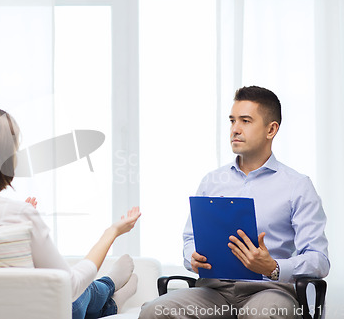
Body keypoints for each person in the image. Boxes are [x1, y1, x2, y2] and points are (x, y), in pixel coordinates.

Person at [0, 106, 141, 319]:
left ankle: (111, 303)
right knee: (75, 297)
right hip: (16, 308)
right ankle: (108, 286)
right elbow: (69, 285)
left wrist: (18, 223)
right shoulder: (17, 214)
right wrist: (112, 232)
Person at [139, 86, 330, 319]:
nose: (235, 129)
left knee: (263, 314)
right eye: (232, 121)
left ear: (271, 129)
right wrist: (193, 257)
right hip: (212, 292)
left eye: (246, 121)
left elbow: (319, 260)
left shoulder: (297, 186)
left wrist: (273, 267)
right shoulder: (212, 180)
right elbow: (190, 238)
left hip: (269, 290)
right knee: (154, 311)